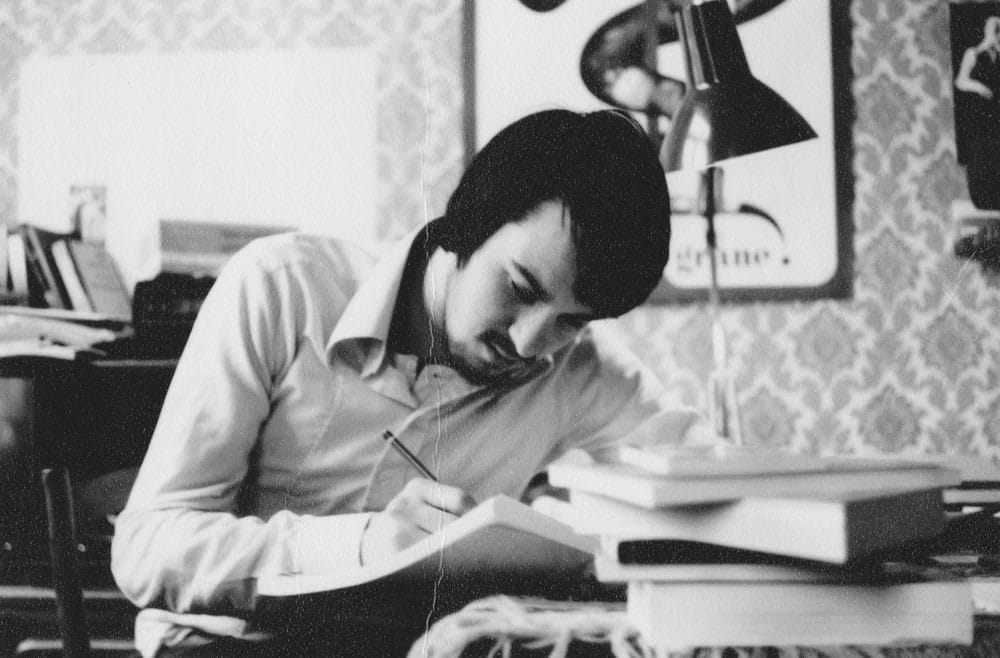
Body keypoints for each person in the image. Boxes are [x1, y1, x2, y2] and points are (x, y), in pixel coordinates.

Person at [111, 108, 716, 655]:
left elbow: (718, 491)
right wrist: (361, 544)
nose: (530, 343)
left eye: (572, 321)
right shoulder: (281, 287)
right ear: (469, 225)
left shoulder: (580, 367)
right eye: (519, 289)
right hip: (228, 645)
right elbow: (146, 550)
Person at [955, 15, 1000, 209]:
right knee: (982, 155)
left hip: (996, 113)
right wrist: (978, 87)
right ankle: (982, 198)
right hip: (980, 115)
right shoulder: (973, 53)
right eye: (995, 30)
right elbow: (961, 81)